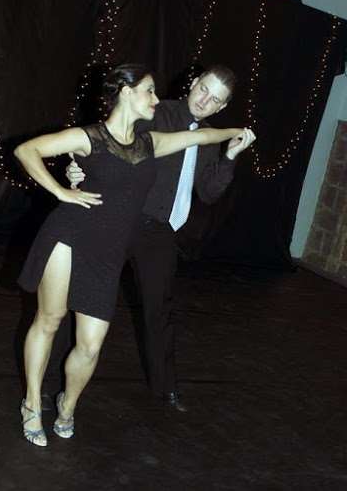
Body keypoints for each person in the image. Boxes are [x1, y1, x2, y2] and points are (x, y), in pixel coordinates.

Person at [14, 63, 249, 447]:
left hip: (111, 247)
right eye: (149, 90)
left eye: (216, 99)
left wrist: (238, 135)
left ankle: (67, 404)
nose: (156, 97)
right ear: (127, 93)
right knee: (50, 320)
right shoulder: (92, 135)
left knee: (91, 344)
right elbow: (28, 150)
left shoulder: (151, 142)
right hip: (71, 234)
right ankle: (31, 404)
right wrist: (62, 189)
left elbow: (203, 136)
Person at [67, 64, 256, 412]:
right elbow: (115, 142)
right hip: (121, 218)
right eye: (204, 89)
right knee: (83, 299)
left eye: (215, 99)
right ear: (193, 83)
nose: (205, 101)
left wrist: (229, 156)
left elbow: (209, 193)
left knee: (161, 310)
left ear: (222, 107)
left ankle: (165, 387)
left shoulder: (210, 138)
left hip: (159, 231)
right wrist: (79, 167)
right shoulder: (157, 111)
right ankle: (58, 379)